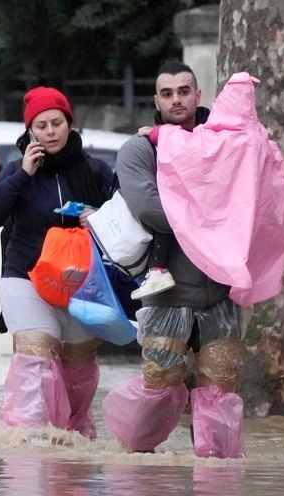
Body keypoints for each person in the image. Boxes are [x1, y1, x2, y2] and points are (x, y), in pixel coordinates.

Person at [109, 61, 248, 458]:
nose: (176, 100)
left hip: (220, 292)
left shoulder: (224, 142)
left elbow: (249, 192)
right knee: (158, 387)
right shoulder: (139, 149)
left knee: (219, 391)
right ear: (156, 100)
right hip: (165, 293)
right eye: (166, 93)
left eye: (183, 91)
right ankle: (135, 480)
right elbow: (149, 208)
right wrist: (211, 213)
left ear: (198, 94)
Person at [0, 86, 115, 440]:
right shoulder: (16, 171)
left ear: (69, 124)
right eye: (41, 125)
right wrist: (24, 174)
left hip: (82, 284)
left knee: (77, 370)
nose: (50, 131)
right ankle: (22, 438)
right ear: (30, 131)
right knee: (35, 356)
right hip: (25, 278)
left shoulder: (96, 171)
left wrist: (98, 218)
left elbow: (122, 223)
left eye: (57, 122)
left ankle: (71, 437)